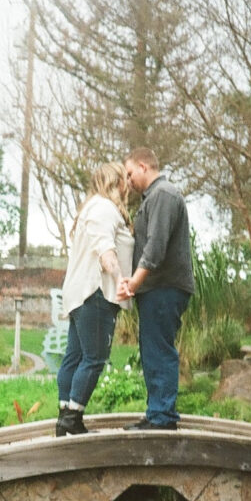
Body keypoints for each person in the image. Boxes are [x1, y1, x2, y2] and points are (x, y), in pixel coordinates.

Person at [55, 162, 135, 436]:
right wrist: (120, 278)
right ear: (116, 182)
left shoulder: (88, 208)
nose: (129, 184)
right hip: (96, 293)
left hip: (79, 293)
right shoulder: (104, 209)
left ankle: (64, 417)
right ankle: (72, 419)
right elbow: (106, 251)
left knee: (74, 356)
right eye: (126, 178)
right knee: (95, 358)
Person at [118, 148, 195, 431]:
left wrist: (135, 282)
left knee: (159, 349)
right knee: (151, 349)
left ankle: (161, 418)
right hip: (156, 289)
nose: (128, 181)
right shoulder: (153, 198)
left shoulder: (163, 195)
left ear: (143, 166)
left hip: (164, 287)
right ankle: (157, 413)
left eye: (129, 174)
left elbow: (156, 247)